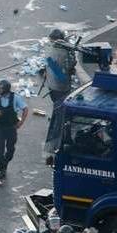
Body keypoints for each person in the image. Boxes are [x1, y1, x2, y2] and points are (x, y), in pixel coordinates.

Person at [43, 28, 76, 163]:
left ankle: (63, 139)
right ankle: (55, 146)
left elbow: (51, 66)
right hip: (62, 88)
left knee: (59, 113)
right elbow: (70, 67)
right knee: (60, 117)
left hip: (52, 87)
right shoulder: (65, 50)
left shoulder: (49, 49)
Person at [0, 79, 29, 184]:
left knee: (10, 150)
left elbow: (25, 109)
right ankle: (2, 170)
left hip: (11, 128)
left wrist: (21, 122)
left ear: (5, 89)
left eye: (0, 87)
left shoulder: (15, 98)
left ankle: (5, 163)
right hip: (0, 128)